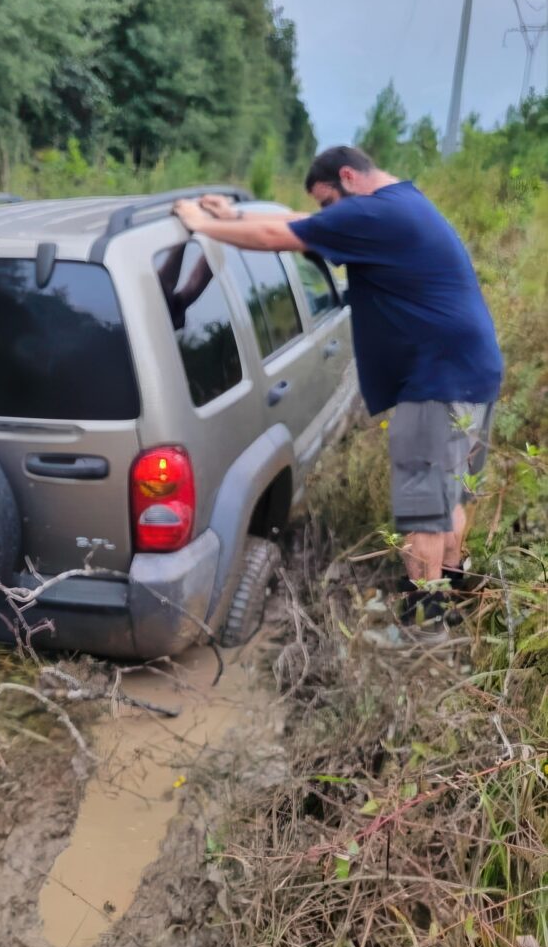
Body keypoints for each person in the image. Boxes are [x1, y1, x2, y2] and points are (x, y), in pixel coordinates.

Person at [172, 146, 503, 627]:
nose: (330, 215)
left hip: (435, 383)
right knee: (449, 497)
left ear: (349, 176)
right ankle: (449, 598)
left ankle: (424, 620)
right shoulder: (399, 204)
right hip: (470, 373)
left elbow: (277, 234)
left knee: (422, 512)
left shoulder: (376, 214)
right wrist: (236, 215)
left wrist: (201, 225)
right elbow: (306, 224)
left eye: (330, 202)